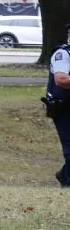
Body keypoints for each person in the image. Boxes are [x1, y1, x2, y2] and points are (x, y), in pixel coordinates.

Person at [43, 23, 70, 188]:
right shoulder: (62, 54)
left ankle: (64, 174)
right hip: (64, 108)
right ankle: (67, 180)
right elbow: (61, 80)